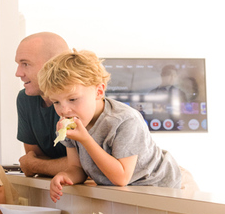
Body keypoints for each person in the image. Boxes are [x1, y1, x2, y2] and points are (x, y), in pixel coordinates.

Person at [36, 50, 182, 203]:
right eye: (56, 102)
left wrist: (85, 139)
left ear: (99, 91)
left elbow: (121, 177)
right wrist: (65, 176)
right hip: (125, 190)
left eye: (72, 99)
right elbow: (76, 168)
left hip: (159, 186)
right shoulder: (70, 122)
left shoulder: (125, 120)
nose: (64, 110)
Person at [14, 32, 71, 177]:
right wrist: (37, 165)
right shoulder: (25, 99)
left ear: (52, 65)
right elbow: (33, 158)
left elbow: (86, 167)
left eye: (25, 64)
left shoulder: (78, 101)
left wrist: (35, 165)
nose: (18, 73)